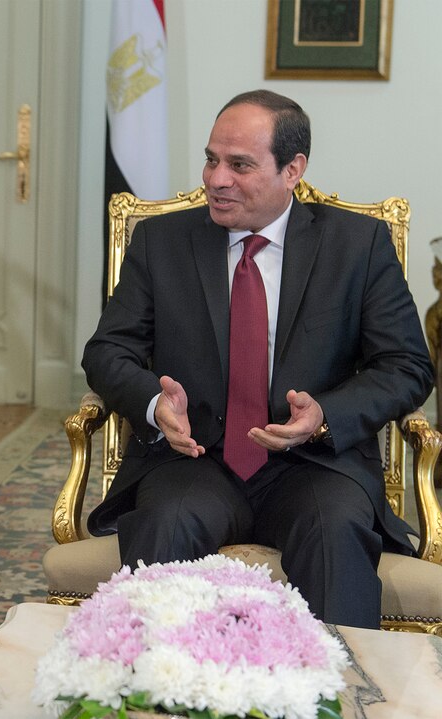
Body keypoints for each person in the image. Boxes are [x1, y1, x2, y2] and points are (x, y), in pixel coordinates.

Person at [82, 89, 434, 629]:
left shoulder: (357, 246)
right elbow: (108, 351)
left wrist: (326, 415)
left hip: (314, 465)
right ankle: (156, 699)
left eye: (239, 165)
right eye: (211, 159)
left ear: (292, 169)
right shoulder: (161, 243)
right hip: (195, 459)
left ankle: (340, 698)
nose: (215, 179)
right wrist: (154, 404)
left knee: (334, 532)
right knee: (164, 526)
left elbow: (407, 365)